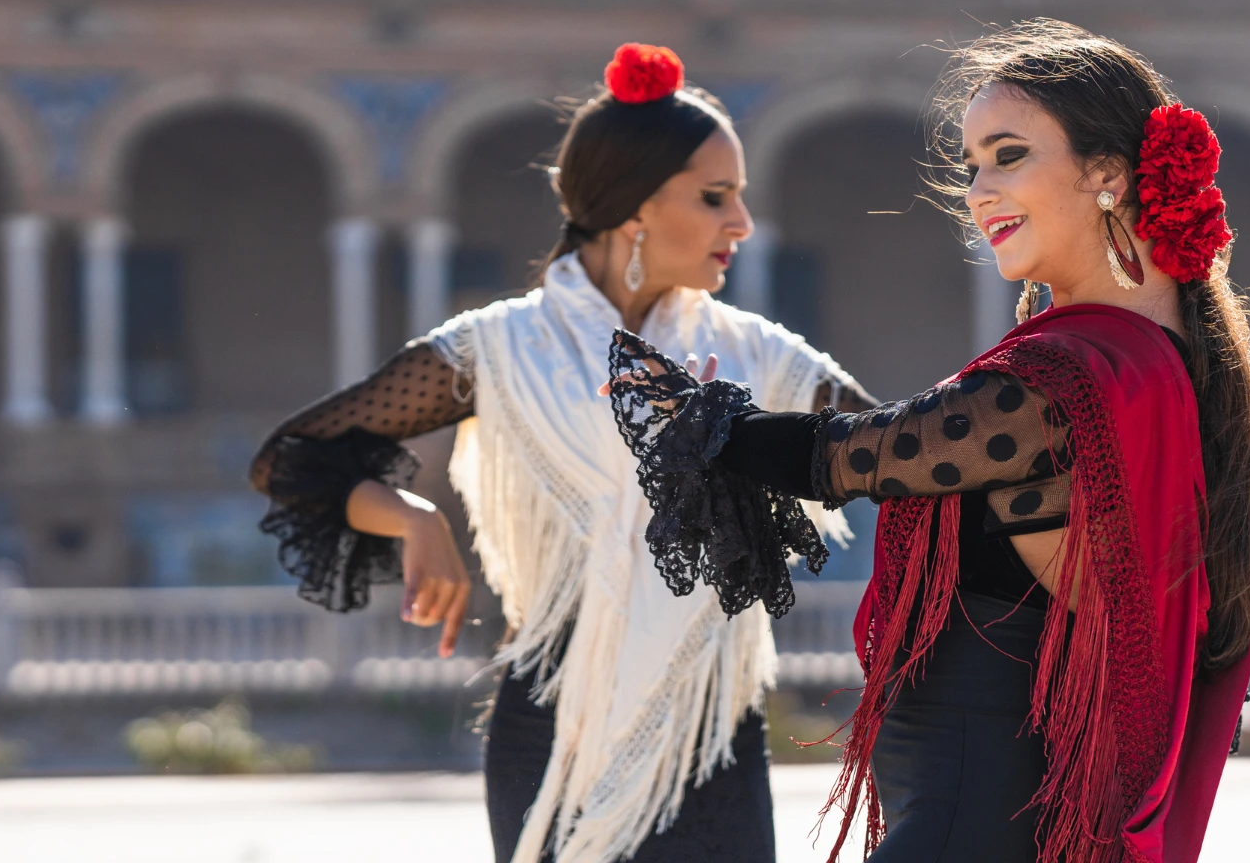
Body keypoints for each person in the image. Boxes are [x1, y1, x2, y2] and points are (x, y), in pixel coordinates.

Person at [606, 20, 1250, 863]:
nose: (978, 190)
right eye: (972, 165)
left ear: (1106, 173)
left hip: (975, 800)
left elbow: (855, 456)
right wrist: (1169, 575)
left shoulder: (1058, 378)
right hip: (1024, 793)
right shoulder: (1176, 362)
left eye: (1009, 154)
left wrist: (696, 420)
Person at [249, 43, 872, 863]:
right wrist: (412, 517)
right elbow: (292, 457)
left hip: (710, 736)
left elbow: (904, 455)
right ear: (633, 210)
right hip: (550, 730)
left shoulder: (760, 355)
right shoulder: (498, 348)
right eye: (716, 197)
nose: (743, 225)